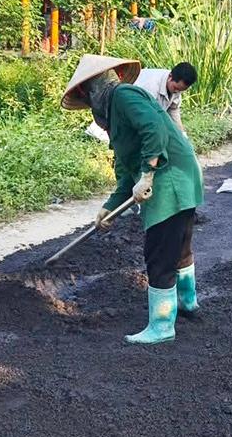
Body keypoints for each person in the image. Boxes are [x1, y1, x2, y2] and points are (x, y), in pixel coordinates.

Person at [61, 54, 204, 345]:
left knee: (160, 251)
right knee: (179, 244)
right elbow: (126, 171)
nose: (88, 103)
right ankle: (186, 303)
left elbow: (154, 128)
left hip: (171, 175)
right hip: (177, 173)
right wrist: (109, 208)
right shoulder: (113, 117)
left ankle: (163, 325)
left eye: (86, 95)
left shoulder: (125, 95)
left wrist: (149, 173)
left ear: (94, 87)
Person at [135, 61, 196, 135]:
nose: (177, 92)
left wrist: (182, 133)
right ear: (170, 77)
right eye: (175, 88)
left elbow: (173, 109)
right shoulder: (150, 87)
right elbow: (144, 116)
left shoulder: (176, 86)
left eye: (180, 90)